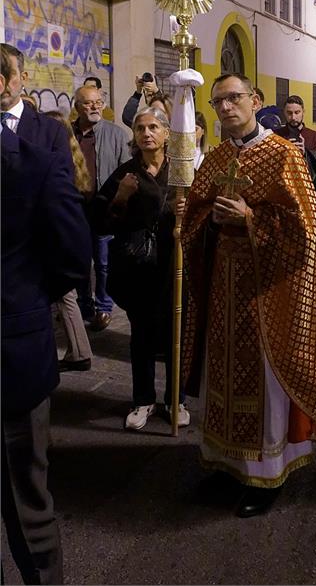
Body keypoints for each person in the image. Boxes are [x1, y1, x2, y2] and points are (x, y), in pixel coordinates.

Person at [180, 73, 316, 518]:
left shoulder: (285, 154)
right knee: (221, 374)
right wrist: (206, 221)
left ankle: (267, 472)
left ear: (255, 100)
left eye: (234, 98)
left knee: (265, 379)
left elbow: (306, 232)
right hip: (222, 287)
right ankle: (224, 462)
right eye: (218, 102)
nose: (226, 107)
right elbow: (192, 221)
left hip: (268, 291)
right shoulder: (213, 159)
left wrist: (251, 216)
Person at [1, 47, 92, 585]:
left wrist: (35, 302)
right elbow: (71, 248)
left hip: (13, 345)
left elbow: (69, 247)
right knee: (25, 494)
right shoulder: (30, 156)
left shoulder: (40, 144)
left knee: (25, 495)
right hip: (17, 336)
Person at [93, 107, 189, 431]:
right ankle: (143, 399)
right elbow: (101, 220)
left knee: (177, 334)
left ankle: (176, 400)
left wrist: (185, 210)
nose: (146, 133)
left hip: (175, 266)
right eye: (140, 128)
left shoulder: (182, 170)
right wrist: (120, 196)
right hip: (140, 269)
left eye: (153, 127)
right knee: (143, 337)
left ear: (165, 133)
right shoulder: (125, 173)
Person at [73, 86, 130, 330]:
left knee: (104, 262)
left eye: (98, 101)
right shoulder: (66, 133)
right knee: (80, 260)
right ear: (78, 107)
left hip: (103, 209)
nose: (96, 107)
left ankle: (104, 307)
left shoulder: (116, 134)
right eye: (88, 103)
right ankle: (84, 304)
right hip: (75, 209)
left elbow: (125, 171)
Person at [45, 111, 93, 372]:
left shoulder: (58, 160)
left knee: (66, 296)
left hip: (60, 238)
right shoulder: (73, 157)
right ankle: (78, 350)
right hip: (68, 236)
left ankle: (80, 352)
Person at [0, 43, 72, 172]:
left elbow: (61, 185)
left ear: (24, 78)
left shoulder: (52, 131)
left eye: (9, 74)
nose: (2, 83)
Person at [275, 94, 316, 185]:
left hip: (307, 185)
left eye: (297, 112)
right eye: (289, 113)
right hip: (284, 186)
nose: (293, 117)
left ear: (303, 112)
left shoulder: (314, 136)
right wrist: (285, 150)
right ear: (284, 113)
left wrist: (305, 153)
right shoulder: (276, 135)